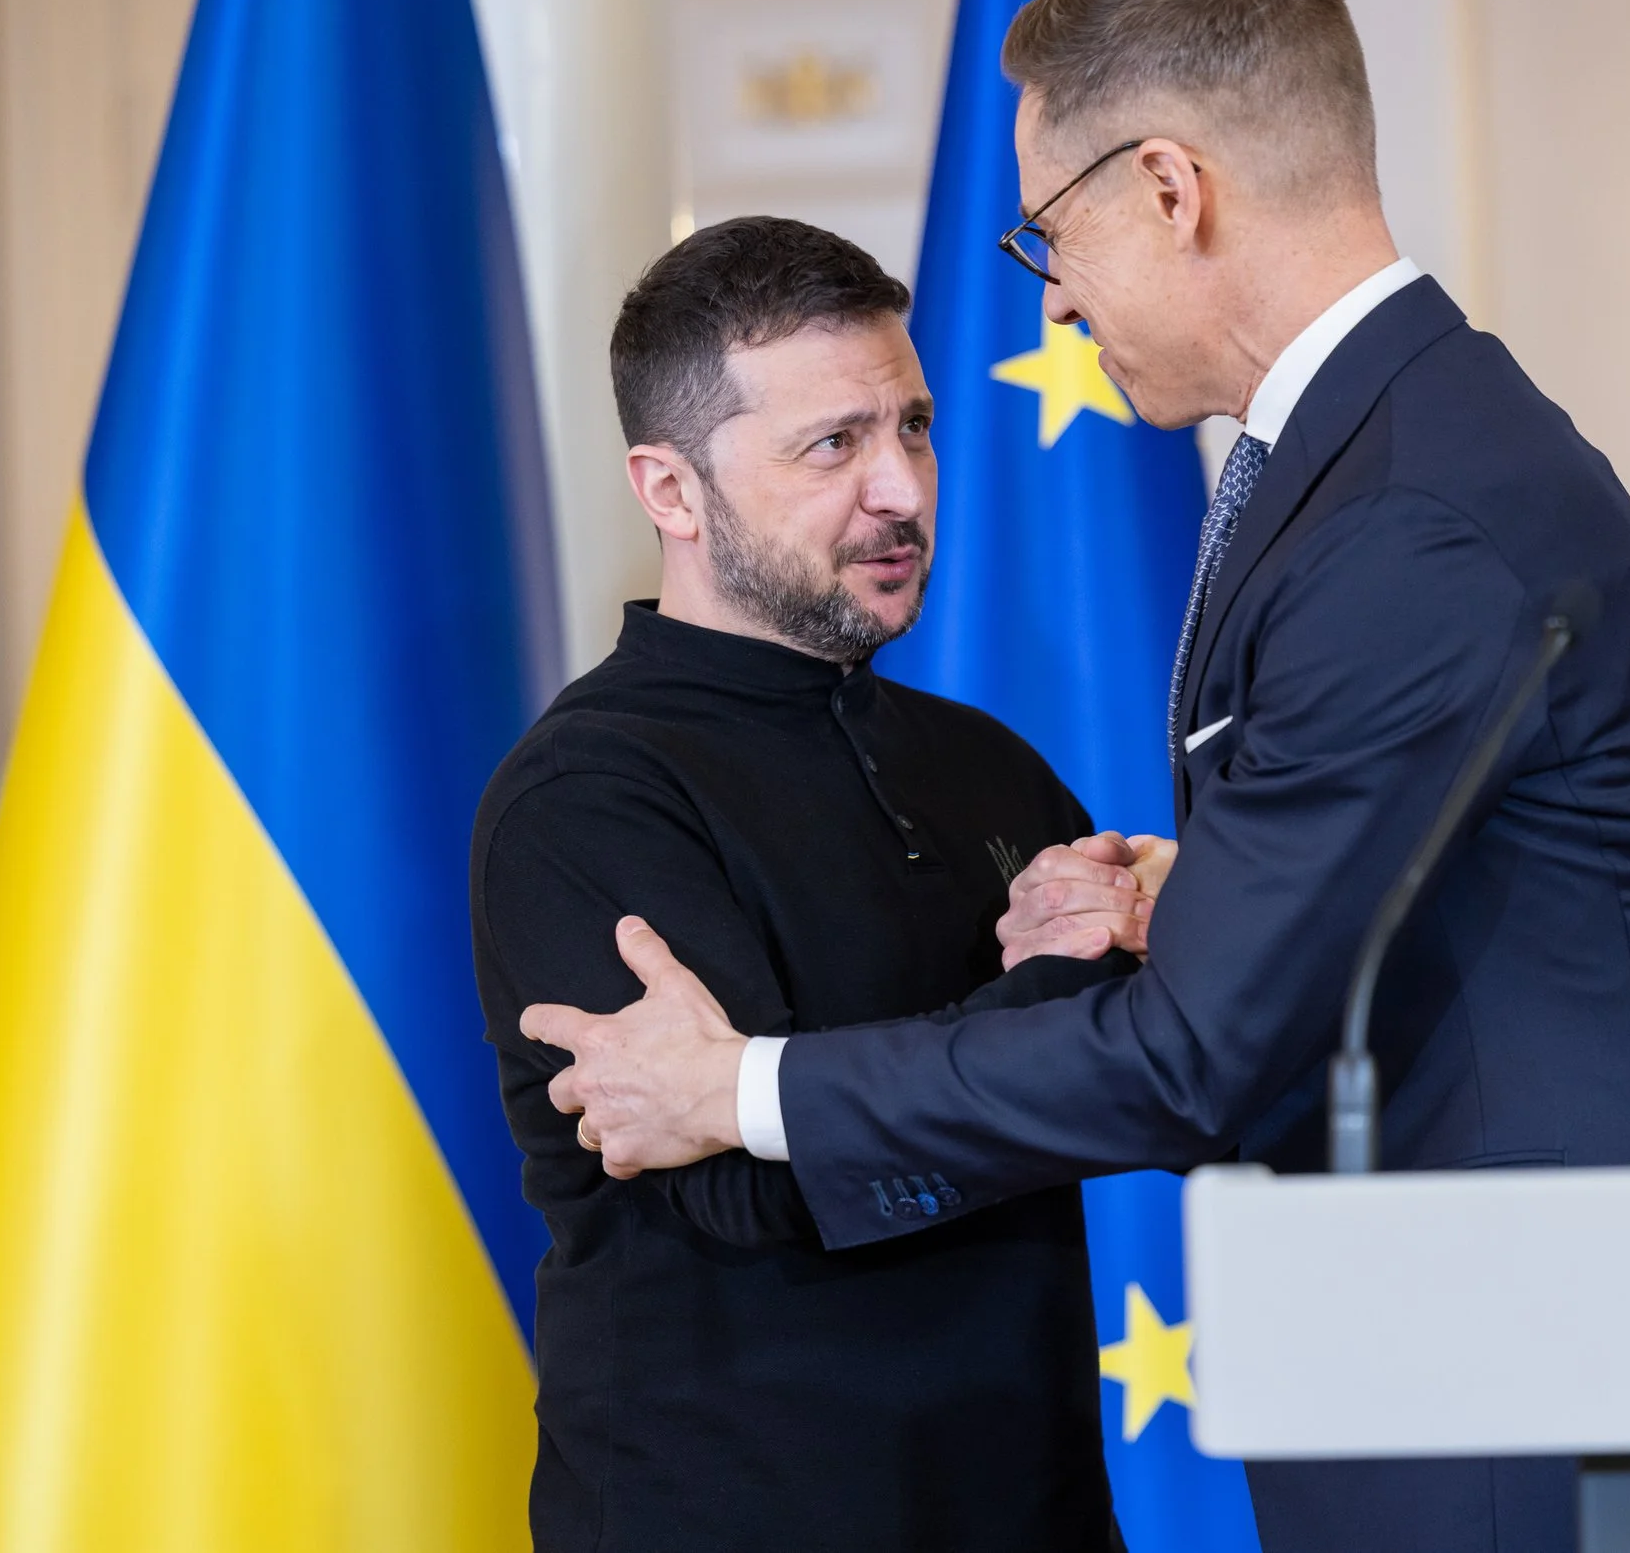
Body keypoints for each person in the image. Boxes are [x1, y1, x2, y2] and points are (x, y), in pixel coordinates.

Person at [523, 0, 1630, 1553]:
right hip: (1458, 1364)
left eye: (1049, 236)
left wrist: (743, 1087)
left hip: (1504, 1397)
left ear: (1171, 190)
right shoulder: (1397, 457)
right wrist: (1207, 899)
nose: (1058, 296)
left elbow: (1187, 1062)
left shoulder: (1406, 520)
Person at [471, 216, 1145, 1553]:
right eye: (833, 444)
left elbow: (1154, 1076)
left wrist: (773, 1091)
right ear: (669, 491)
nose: (899, 489)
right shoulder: (585, 800)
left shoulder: (987, 765)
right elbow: (748, 1193)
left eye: (913, 426)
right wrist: (1056, 995)